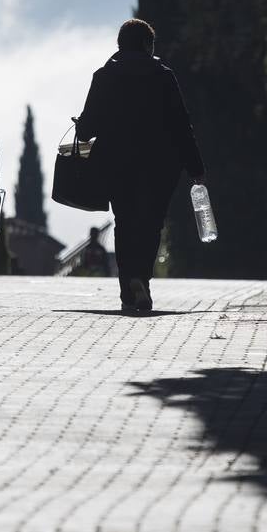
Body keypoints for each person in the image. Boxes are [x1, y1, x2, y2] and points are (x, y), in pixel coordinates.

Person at [75, 19, 204, 313]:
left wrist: (81, 127)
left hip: (117, 163)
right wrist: (195, 167)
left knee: (126, 222)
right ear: (147, 45)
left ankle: (127, 291)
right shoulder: (163, 76)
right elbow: (182, 125)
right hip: (160, 165)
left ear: (120, 45)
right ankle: (141, 279)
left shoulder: (104, 76)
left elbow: (88, 127)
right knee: (151, 224)